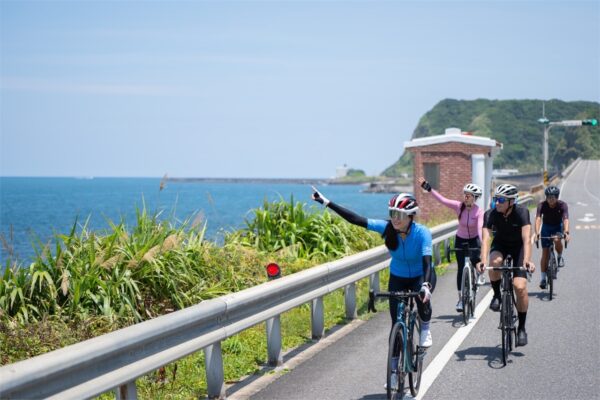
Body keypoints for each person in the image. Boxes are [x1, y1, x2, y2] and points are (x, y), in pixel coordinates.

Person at [311, 187, 437, 348]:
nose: (395, 219)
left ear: (411, 216)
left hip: (421, 275)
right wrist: (327, 203)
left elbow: (427, 261)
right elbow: (356, 219)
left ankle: (425, 328)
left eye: (399, 215)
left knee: (422, 300)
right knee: (396, 322)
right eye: (392, 213)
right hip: (398, 276)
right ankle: (393, 370)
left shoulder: (422, 233)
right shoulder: (386, 228)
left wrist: (425, 285)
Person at [476, 184, 535, 346]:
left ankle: (521, 328)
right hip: (501, 245)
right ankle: (497, 294)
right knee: (494, 262)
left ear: (511, 202)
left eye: (501, 200)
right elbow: (486, 240)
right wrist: (482, 260)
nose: (497, 203)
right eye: (496, 199)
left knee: (520, 286)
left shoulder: (522, 212)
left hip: (519, 248)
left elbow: (527, 240)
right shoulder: (491, 214)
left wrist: (527, 261)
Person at [419, 178, 485, 313]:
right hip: (460, 239)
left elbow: (479, 228)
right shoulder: (458, 206)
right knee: (461, 269)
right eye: (465, 194)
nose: (465, 197)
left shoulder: (479, 211)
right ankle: (461, 299)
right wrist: (429, 188)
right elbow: (442, 200)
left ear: (475, 198)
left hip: (473, 240)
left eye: (469, 195)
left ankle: (478, 275)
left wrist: (483, 244)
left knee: (475, 260)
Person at [535, 185, 570, 289]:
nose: (550, 200)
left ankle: (559, 255)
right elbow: (537, 219)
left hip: (558, 227)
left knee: (556, 239)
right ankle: (542, 278)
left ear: (557, 197)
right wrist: (537, 233)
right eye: (549, 197)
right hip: (546, 227)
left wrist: (566, 232)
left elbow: (566, 220)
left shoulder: (562, 205)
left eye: (553, 197)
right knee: (545, 253)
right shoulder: (542, 205)